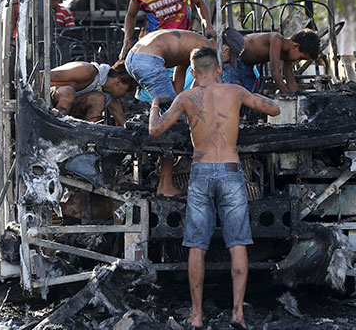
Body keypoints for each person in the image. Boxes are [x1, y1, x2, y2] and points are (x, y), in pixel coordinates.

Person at [148, 46, 280, 330]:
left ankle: (196, 317)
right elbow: (274, 108)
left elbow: (155, 130)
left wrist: (154, 105)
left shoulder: (186, 97)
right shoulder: (235, 91)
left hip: (201, 172)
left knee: (197, 246)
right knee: (238, 244)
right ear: (220, 69)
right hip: (231, 172)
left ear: (193, 73)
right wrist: (248, 96)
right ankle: (238, 315)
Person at [125, 28, 245, 197]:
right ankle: (165, 185)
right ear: (225, 50)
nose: (224, 64)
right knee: (173, 123)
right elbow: (202, 89)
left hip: (136, 58)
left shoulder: (196, 45)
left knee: (176, 114)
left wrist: (180, 102)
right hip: (149, 60)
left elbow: (181, 69)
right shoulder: (207, 52)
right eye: (227, 59)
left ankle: (165, 176)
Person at [50, 60, 136, 124]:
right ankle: (55, 127)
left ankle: (87, 138)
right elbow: (44, 75)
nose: (126, 95)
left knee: (98, 99)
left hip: (66, 104)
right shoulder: (88, 71)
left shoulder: (106, 91)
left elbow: (121, 119)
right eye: (127, 90)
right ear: (118, 82)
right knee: (68, 92)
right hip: (48, 95)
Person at [239, 28, 320, 93]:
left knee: (248, 93)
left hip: (247, 65)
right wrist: (285, 93)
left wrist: (296, 95)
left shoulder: (288, 54)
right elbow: (274, 70)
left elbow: (290, 78)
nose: (298, 61)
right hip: (234, 57)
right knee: (235, 88)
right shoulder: (276, 40)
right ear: (295, 46)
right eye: (300, 58)